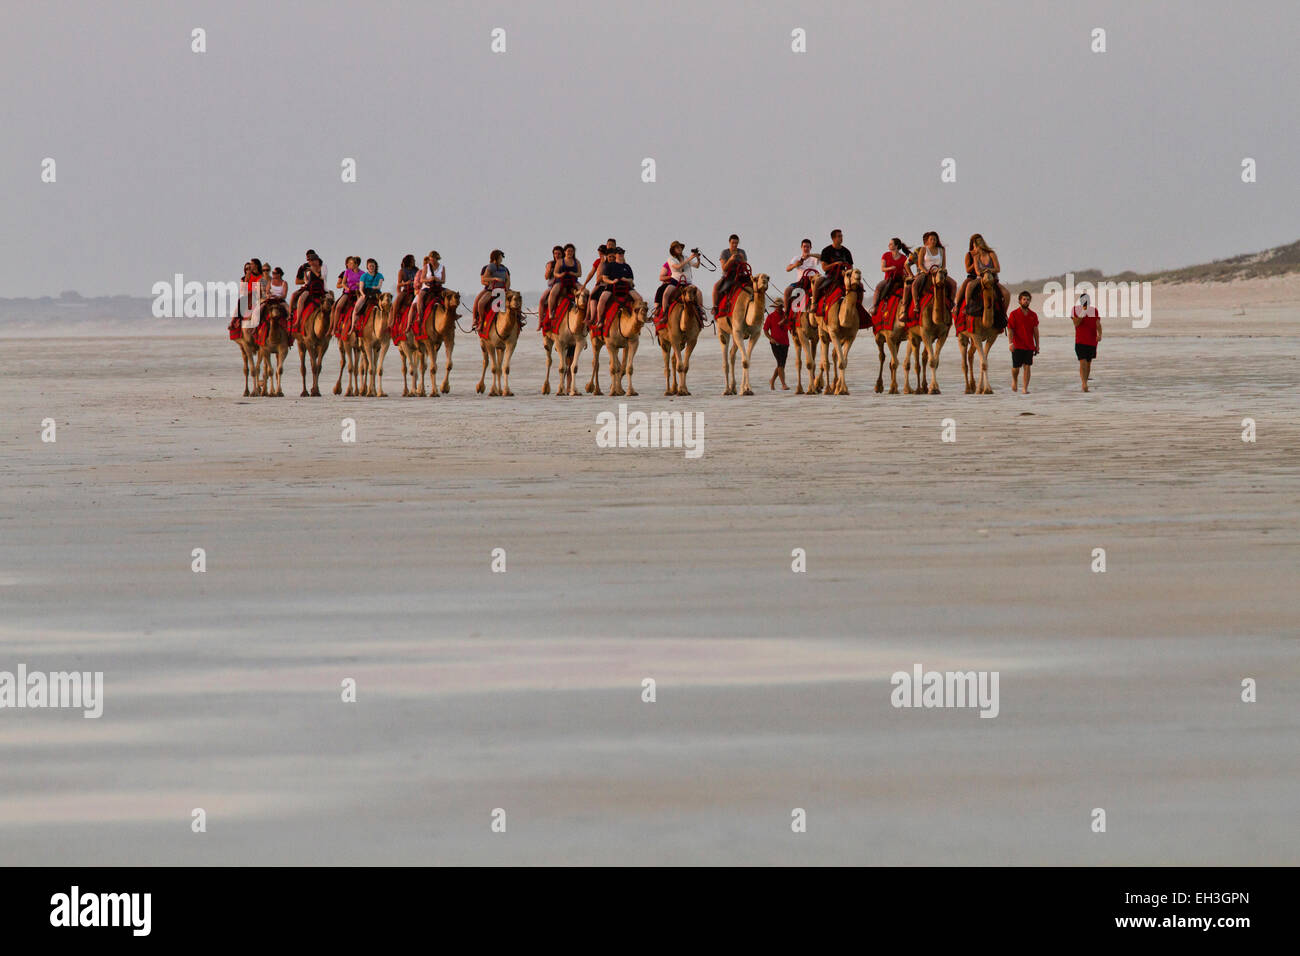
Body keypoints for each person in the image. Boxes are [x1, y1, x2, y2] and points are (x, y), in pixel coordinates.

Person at [955, 234, 1007, 318]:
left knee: (1006, 293)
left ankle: (1003, 314)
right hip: (976, 276)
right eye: (975, 243)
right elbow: (973, 270)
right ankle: (963, 306)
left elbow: (997, 268)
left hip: (992, 277)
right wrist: (982, 271)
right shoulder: (972, 255)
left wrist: (989, 270)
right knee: (968, 285)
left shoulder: (991, 254)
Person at [908, 231, 957, 317]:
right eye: (931, 239)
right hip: (926, 272)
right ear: (927, 240)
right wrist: (926, 271)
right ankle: (916, 304)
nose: (933, 241)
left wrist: (941, 270)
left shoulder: (941, 250)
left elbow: (944, 264)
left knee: (953, 284)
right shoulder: (923, 249)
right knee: (915, 284)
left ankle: (951, 303)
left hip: (938, 272)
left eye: (935, 239)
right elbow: (920, 264)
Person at [656, 241, 702, 320]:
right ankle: (665, 314)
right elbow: (677, 267)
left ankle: (700, 312)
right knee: (665, 294)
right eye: (677, 247)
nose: (679, 249)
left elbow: (696, 266)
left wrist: (698, 259)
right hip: (675, 282)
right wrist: (690, 259)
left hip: (688, 283)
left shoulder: (686, 257)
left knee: (699, 293)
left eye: (680, 247)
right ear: (673, 250)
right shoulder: (670, 259)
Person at [1007, 291, 1040, 393]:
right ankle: (1015, 380)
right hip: (1017, 345)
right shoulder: (1014, 314)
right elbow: (1010, 330)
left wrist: (1037, 345)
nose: (1026, 301)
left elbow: (1035, 331)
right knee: (1016, 368)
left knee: (1027, 366)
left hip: (1029, 345)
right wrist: (1010, 343)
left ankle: (1025, 388)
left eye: (1028, 299)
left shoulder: (1033, 315)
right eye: (1024, 299)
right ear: (1020, 301)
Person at [814, 229, 853, 311]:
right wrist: (835, 264)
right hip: (830, 274)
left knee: (859, 285)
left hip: (844, 275)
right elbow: (824, 268)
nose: (841, 238)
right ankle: (814, 304)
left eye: (841, 236)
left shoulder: (846, 252)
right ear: (833, 238)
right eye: (839, 236)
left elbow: (851, 267)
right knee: (817, 282)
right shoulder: (826, 251)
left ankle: (857, 305)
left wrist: (846, 272)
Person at [472, 250, 511, 331]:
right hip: (490, 289)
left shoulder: (504, 268)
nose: (501, 259)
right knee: (479, 302)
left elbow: (508, 280)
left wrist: (506, 289)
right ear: (495, 258)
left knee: (516, 298)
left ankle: (518, 318)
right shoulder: (488, 267)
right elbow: (483, 280)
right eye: (500, 257)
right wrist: (494, 279)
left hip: (503, 289)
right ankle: (478, 320)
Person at [871, 238, 912, 315]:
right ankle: (875, 306)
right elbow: (882, 268)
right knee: (878, 288)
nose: (888, 245)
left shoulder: (904, 258)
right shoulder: (886, 255)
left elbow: (905, 270)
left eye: (891, 244)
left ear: (896, 246)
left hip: (900, 278)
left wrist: (907, 275)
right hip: (888, 279)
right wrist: (890, 268)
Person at [547, 243, 582, 328]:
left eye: (571, 251)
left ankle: (586, 313)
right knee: (552, 293)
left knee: (584, 291)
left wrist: (573, 273)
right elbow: (555, 273)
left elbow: (580, 274)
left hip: (573, 281)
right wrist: (560, 275)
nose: (570, 252)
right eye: (568, 251)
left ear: (574, 252)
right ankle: (551, 312)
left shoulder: (576, 262)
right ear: (565, 252)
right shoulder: (560, 261)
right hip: (561, 281)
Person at [1071, 292, 1101, 392]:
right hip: (1080, 340)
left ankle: (1085, 382)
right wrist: (1083, 312)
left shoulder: (1094, 310)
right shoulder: (1075, 309)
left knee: (1088, 363)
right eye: (1084, 300)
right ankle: (1084, 383)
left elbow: (1098, 323)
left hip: (1092, 341)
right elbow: (1076, 323)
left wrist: (1100, 334)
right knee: (1082, 361)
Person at [712, 234, 748, 315]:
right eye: (733, 243)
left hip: (741, 275)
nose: (735, 245)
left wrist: (742, 259)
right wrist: (730, 260)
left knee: (754, 285)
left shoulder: (742, 252)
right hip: (728, 276)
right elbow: (724, 268)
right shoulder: (724, 253)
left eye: (736, 243)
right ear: (729, 242)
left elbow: (746, 266)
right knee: (716, 287)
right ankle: (715, 307)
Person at [783, 238, 821, 313]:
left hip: (812, 281)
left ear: (810, 248)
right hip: (801, 281)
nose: (806, 248)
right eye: (804, 246)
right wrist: (795, 265)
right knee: (787, 291)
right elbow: (787, 269)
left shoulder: (813, 258)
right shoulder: (797, 258)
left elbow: (821, 256)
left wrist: (809, 255)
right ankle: (786, 314)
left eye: (808, 247)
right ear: (801, 247)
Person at [586, 245, 619, 327]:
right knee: (593, 296)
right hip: (606, 285)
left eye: (613, 256)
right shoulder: (603, 264)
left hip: (618, 285)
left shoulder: (620, 264)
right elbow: (600, 278)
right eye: (610, 256)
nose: (611, 258)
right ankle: (594, 318)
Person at [763, 304, 793, 390]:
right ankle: (784, 384)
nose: (778, 308)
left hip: (785, 343)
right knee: (780, 363)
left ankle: (772, 381)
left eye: (780, 306)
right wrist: (770, 338)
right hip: (775, 343)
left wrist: (786, 322)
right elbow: (765, 330)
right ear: (774, 307)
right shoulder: (770, 316)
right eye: (777, 306)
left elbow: (790, 326)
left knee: (781, 364)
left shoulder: (786, 316)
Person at [414, 251, 446, 321]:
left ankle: (451, 314)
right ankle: (420, 315)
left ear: (436, 259)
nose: (431, 261)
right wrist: (429, 280)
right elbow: (422, 279)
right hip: (428, 287)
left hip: (438, 287)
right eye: (430, 259)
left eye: (433, 260)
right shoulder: (426, 267)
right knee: (420, 297)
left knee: (450, 295)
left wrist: (437, 279)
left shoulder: (442, 267)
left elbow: (443, 281)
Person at [353, 258, 385, 325]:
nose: (371, 267)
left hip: (376, 293)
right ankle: (353, 326)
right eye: (370, 266)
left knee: (386, 306)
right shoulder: (364, 276)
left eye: (373, 266)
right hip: (366, 293)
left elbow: (379, 286)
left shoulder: (380, 275)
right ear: (367, 266)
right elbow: (361, 288)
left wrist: (375, 287)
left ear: (375, 266)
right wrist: (363, 295)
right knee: (356, 308)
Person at [289, 249, 318, 318]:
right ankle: (290, 314)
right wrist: (305, 281)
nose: (309, 260)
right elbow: (297, 281)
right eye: (308, 258)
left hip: (316, 286)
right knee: (294, 295)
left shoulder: (319, 266)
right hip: (306, 287)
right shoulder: (303, 267)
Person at [393, 254, 418, 326]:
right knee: (397, 301)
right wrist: (406, 283)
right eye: (413, 260)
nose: (414, 261)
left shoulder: (416, 270)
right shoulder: (402, 271)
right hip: (407, 290)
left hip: (415, 290)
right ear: (409, 261)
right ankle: (394, 320)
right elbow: (399, 284)